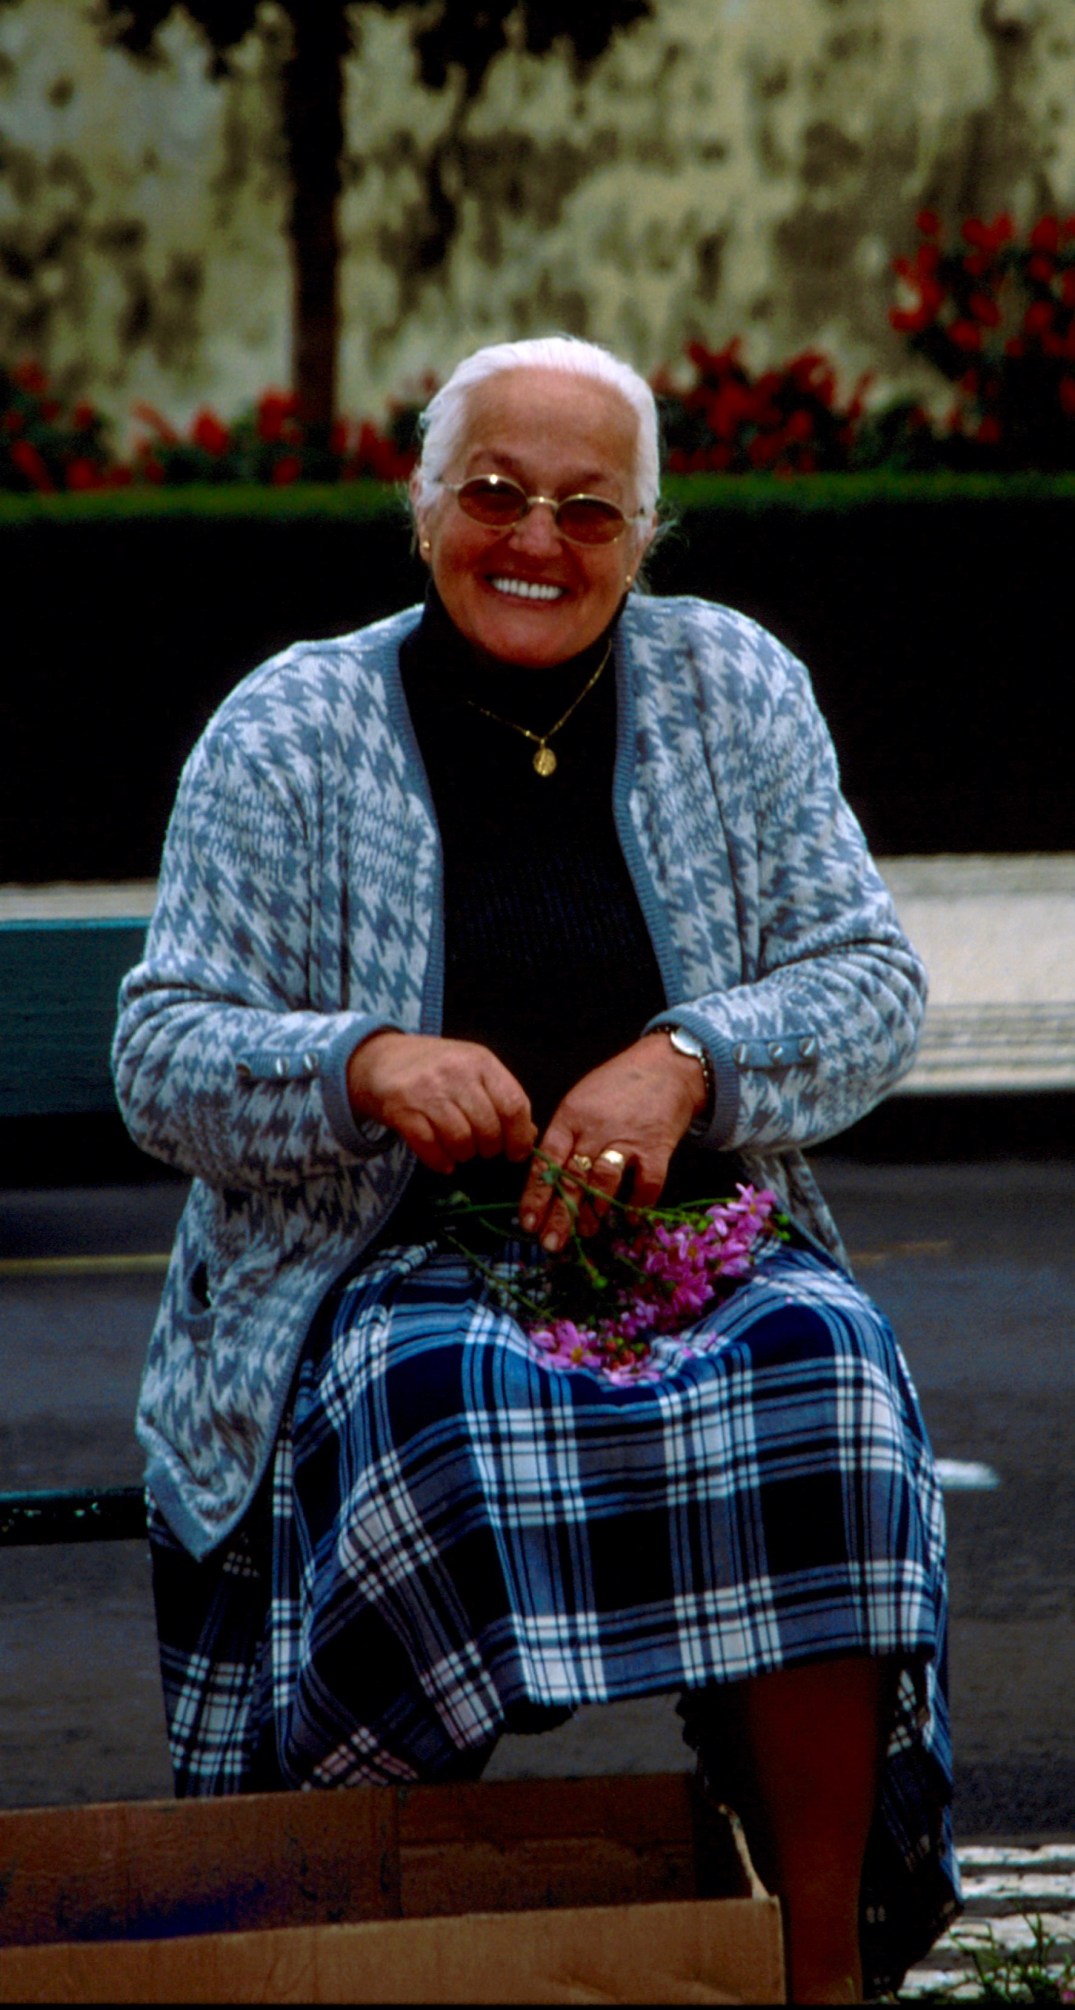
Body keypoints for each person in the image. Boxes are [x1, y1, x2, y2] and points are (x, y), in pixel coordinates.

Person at [113, 333, 960, 2002]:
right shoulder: (291, 726)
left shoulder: (734, 688)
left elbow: (873, 983)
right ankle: (374, 1951)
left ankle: (817, 1962)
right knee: (434, 1416)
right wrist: (362, 1061)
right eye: (496, 492)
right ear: (423, 503)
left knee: (834, 1377)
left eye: (590, 509)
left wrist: (688, 1059)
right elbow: (160, 1051)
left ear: (647, 535)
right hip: (378, 1270)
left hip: (687, 1241)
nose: (537, 540)